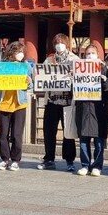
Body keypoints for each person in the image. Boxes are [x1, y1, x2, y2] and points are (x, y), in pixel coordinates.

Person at [37, 33, 79, 172]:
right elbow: (42, 77)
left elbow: (81, 78)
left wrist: (75, 75)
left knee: (68, 132)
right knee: (49, 132)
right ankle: (49, 158)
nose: (59, 45)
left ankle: (69, 160)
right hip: (52, 101)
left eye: (61, 42)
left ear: (67, 44)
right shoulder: (49, 60)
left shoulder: (75, 59)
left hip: (68, 102)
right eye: (56, 43)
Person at [0, 41, 32, 171]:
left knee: (16, 134)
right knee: (3, 135)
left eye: (22, 52)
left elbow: (31, 86)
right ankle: (4, 158)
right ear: (11, 52)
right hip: (4, 103)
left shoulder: (26, 66)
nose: (20, 54)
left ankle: (15, 160)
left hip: (19, 104)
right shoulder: (1, 66)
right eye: (17, 51)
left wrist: (29, 82)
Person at [75, 44, 108, 177]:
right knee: (84, 139)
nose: (90, 56)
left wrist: (105, 80)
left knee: (98, 140)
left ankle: (97, 165)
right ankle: (85, 165)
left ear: (98, 55)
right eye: (87, 54)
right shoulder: (79, 70)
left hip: (99, 110)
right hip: (83, 108)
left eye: (92, 53)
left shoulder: (104, 70)